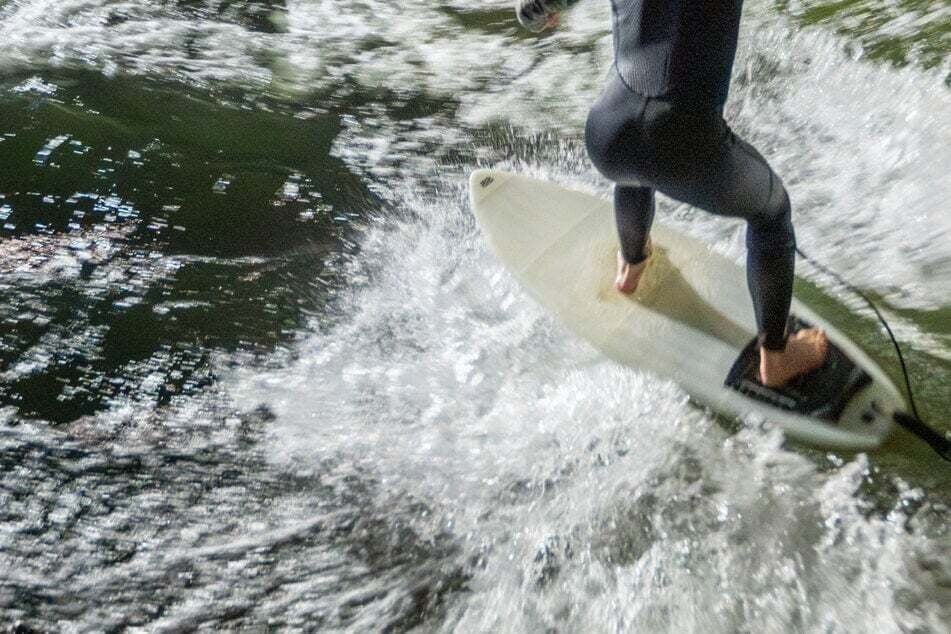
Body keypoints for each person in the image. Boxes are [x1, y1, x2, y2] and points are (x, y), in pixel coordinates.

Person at [514, 0, 828, 387]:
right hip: (686, 149)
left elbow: (533, 9)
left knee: (634, 172)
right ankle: (776, 358)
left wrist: (541, 12)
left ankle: (631, 267)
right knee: (772, 213)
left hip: (607, 136)